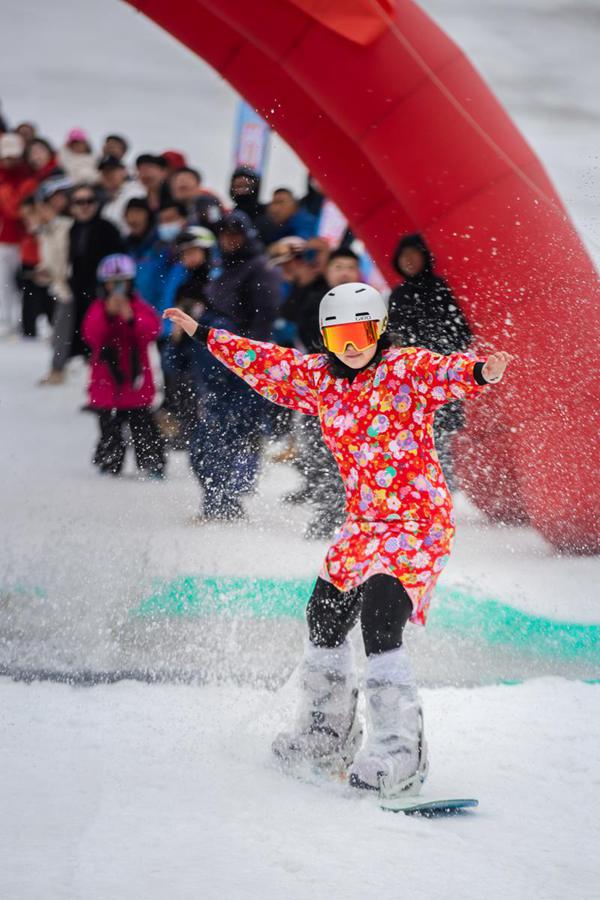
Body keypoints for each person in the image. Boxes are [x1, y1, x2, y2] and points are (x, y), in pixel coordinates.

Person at [163, 283, 513, 797]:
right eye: (339, 334)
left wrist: (481, 371)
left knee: (379, 614)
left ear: (378, 330)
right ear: (326, 337)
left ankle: (398, 749)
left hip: (417, 522)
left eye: (361, 332)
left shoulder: (401, 369)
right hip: (364, 522)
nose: (352, 345)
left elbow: (444, 373)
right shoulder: (320, 379)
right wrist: (203, 333)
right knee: (324, 613)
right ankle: (326, 732)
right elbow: (268, 363)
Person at [388, 233, 473, 488]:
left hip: (440, 375)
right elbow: (393, 334)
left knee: (439, 434)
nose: (409, 261)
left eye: (414, 254)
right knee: (409, 432)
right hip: (408, 379)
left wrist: (436, 355)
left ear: (425, 257)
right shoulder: (398, 294)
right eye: (404, 256)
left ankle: (440, 487)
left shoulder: (441, 289)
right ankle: (413, 484)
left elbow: (461, 333)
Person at [82, 253, 165, 478]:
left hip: (136, 381)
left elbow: (152, 331)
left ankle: (152, 463)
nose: (117, 287)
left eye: (122, 281)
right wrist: (108, 315)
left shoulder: (140, 307)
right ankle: (109, 461)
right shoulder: (98, 308)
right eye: (112, 282)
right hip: (107, 382)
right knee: (109, 428)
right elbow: (92, 335)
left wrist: (131, 318)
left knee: (143, 427)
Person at [68, 183, 123, 358]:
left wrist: (115, 292)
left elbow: (119, 265)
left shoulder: (109, 229)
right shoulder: (72, 229)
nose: (84, 206)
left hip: (103, 294)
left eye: (89, 201)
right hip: (78, 292)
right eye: (79, 201)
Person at [35, 180, 74, 384]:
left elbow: (67, 258)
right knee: (59, 329)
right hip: (59, 287)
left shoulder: (67, 225)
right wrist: (44, 271)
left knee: (62, 330)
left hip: (70, 286)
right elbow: (51, 260)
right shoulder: (46, 230)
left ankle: (58, 369)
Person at [0, 132, 31, 334]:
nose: (10, 160)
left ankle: (21, 319)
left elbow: (19, 208)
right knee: (3, 282)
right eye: (7, 156)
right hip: (4, 238)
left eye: (14, 156)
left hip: (25, 239)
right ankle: (4, 319)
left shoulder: (27, 176)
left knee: (22, 281)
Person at [97, 155, 145, 235]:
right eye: (104, 172)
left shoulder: (135, 191)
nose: (108, 175)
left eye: (112, 171)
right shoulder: (108, 203)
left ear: (124, 171)